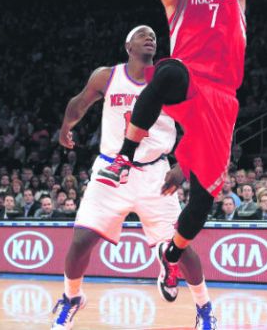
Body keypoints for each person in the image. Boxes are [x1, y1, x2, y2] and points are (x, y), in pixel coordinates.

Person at [101, 0, 264, 307]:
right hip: (190, 85)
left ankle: (171, 255)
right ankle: (124, 156)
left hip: (223, 101)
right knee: (168, 70)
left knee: (204, 197)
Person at [51, 27, 215, 330]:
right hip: (112, 168)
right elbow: (79, 103)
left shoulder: (171, 80)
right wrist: (65, 126)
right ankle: (72, 298)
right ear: (128, 45)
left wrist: (183, 164)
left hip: (156, 173)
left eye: (153, 35)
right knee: (81, 239)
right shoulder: (107, 76)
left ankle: (205, 308)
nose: (149, 37)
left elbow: (200, 125)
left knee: (181, 248)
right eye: (142, 34)